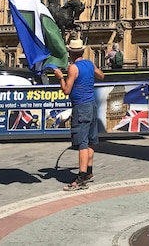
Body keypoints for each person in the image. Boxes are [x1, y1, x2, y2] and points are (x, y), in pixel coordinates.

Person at [54, 38, 104, 191]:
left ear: (70, 52)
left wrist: (60, 77)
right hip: (92, 105)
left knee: (82, 142)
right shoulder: (89, 63)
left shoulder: (73, 68)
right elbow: (101, 75)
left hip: (81, 107)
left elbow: (66, 90)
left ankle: (81, 177)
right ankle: (88, 172)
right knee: (90, 141)